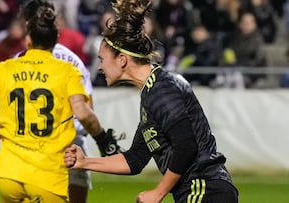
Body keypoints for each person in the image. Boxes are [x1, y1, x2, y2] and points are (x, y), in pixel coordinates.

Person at [64, 0, 239, 203]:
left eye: (102, 59)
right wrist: (85, 162)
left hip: (205, 188)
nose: (100, 67)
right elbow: (135, 160)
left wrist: (158, 193)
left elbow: (186, 146)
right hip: (199, 191)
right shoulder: (151, 92)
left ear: (122, 60)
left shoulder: (162, 88)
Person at [0, 1, 122, 202]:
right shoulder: (69, 67)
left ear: (28, 35)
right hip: (55, 160)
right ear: (56, 35)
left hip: (10, 172)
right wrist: (103, 140)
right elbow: (85, 112)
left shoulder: (7, 67)